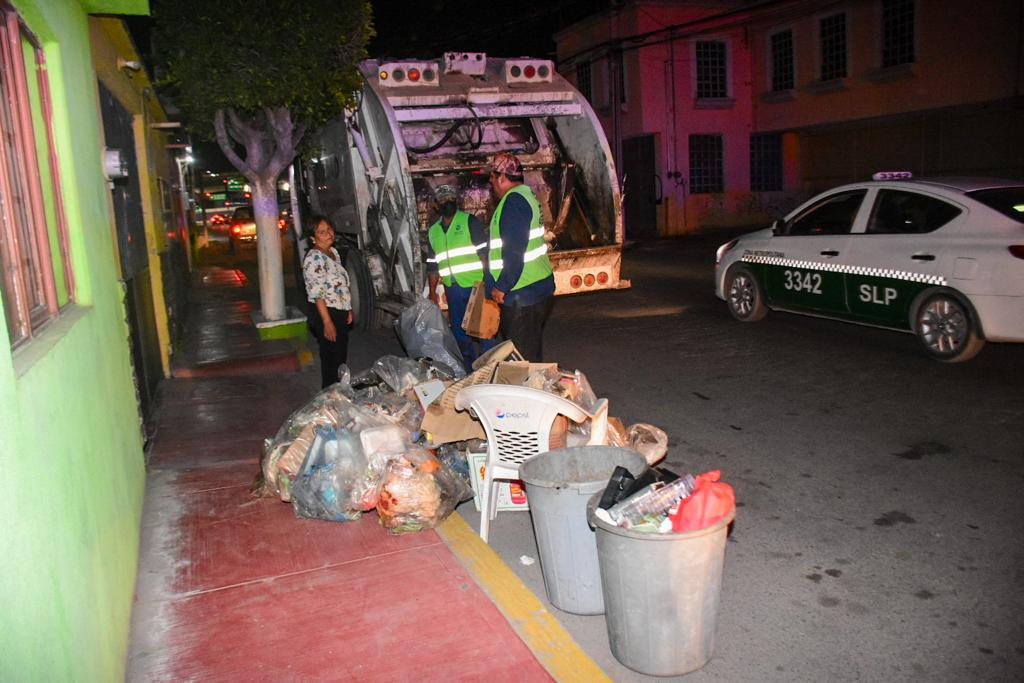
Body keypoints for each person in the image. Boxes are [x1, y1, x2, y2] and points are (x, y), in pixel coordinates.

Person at [486, 152, 555, 361]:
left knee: (521, 361)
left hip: (522, 293)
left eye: (492, 177)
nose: (491, 183)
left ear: (502, 177)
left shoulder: (513, 202)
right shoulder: (526, 194)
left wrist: (502, 286)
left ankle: (530, 391)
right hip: (534, 287)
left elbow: (514, 251)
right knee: (529, 354)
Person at [425, 184, 496, 370]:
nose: (447, 202)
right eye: (443, 200)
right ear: (435, 205)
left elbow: (484, 253)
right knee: (459, 332)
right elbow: (433, 264)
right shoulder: (433, 232)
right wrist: (432, 292)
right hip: (453, 288)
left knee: (483, 330)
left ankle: (490, 368)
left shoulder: (469, 222)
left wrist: (488, 281)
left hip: (476, 285)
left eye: (450, 199)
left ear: (456, 202)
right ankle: (472, 367)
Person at [303, 215, 353, 388]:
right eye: (322, 232)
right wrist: (327, 322)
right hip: (325, 312)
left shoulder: (333, 253)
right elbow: (317, 294)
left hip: (338, 310)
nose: (328, 234)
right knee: (331, 360)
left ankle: (338, 396)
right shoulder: (314, 258)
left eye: (329, 229)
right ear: (312, 238)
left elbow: (340, 284)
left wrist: (348, 309)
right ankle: (328, 399)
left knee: (340, 357)